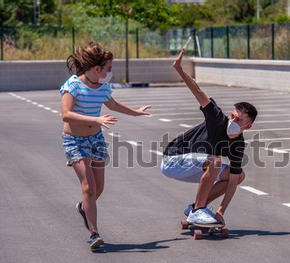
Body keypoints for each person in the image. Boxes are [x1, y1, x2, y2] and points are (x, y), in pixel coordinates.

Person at [60, 42, 151, 250]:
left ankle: (84, 207)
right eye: (109, 69)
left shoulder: (103, 87)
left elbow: (113, 105)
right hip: (75, 140)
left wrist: (136, 112)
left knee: (99, 188)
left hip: (96, 140)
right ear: (97, 69)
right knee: (89, 187)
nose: (111, 72)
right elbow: (66, 114)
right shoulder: (73, 84)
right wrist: (98, 120)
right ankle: (94, 233)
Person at [161, 48, 258, 225]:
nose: (233, 120)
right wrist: (179, 69)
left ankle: (195, 208)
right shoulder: (217, 119)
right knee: (215, 161)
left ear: (248, 126)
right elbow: (198, 92)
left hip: (196, 166)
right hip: (173, 159)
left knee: (238, 175)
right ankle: (199, 211)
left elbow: (233, 182)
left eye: (239, 120)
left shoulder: (238, 145)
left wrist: (221, 210)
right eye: (233, 116)